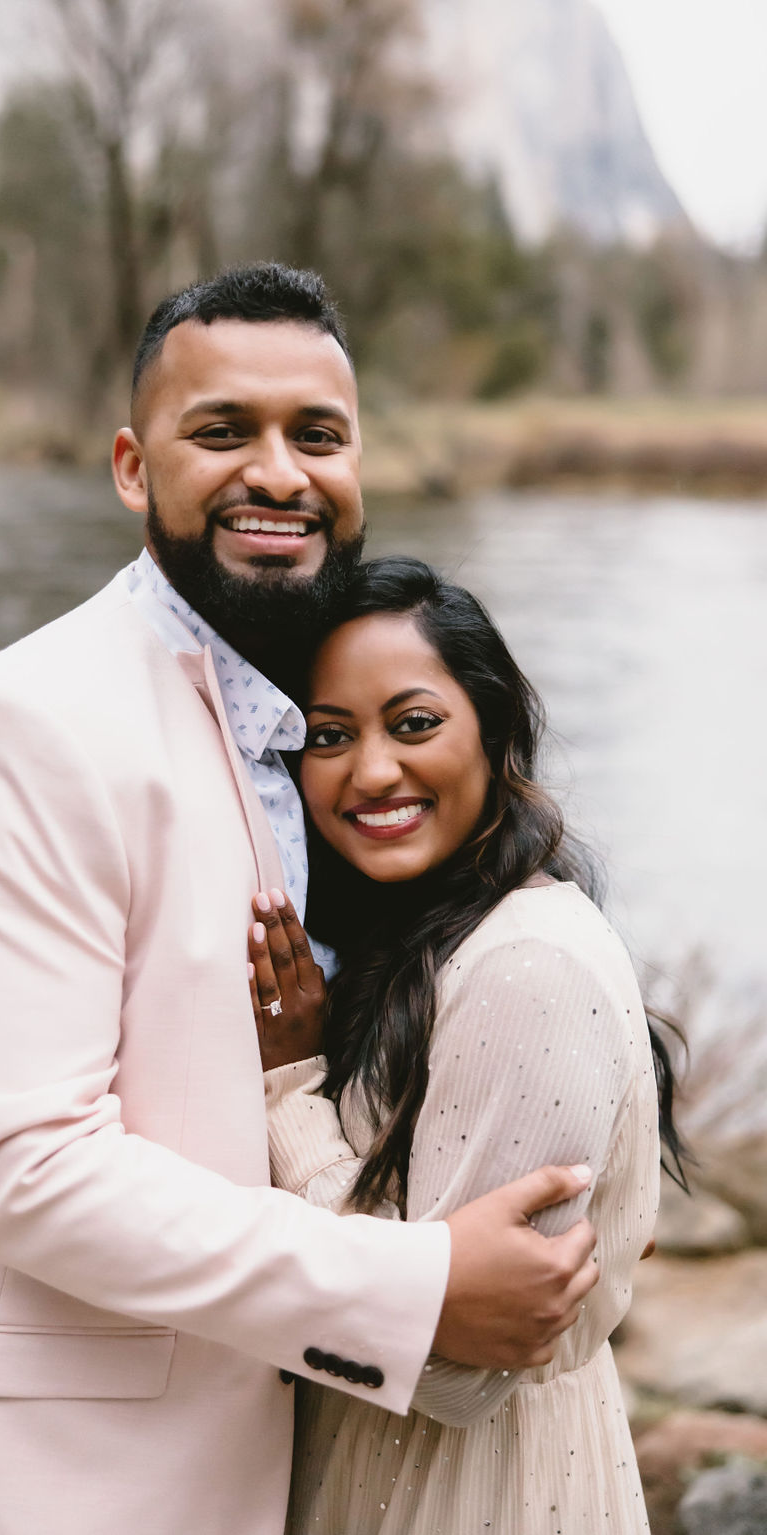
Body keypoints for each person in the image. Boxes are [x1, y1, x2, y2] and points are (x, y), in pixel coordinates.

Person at [0, 267, 600, 1535]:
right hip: (59, 1483)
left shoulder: (329, 722)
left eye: (316, 434)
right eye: (222, 430)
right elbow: (24, 1170)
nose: (279, 472)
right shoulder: (24, 723)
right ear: (135, 467)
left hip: (294, 1462)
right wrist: (413, 1286)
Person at [247, 556, 684, 1534]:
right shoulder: (412, 939)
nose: (370, 770)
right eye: (327, 735)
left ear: (490, 728)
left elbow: (454, 1367)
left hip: (476, 1488)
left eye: (413, 722)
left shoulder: (525, 965)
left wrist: (292, 1092)